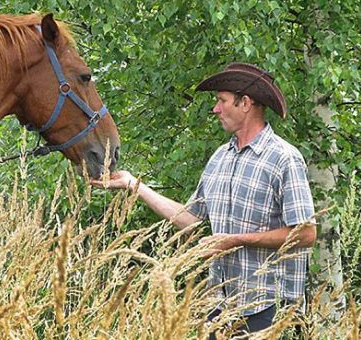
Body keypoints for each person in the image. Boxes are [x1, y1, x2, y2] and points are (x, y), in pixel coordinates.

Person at [92, 62, 316, 337]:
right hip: (219, 306)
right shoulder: (220, 157)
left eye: (221, 101)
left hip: (269, 309)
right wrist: (133, 185)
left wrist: (236, 240)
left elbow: (305, 233)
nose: (215, 109)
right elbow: (190, 217)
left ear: (245, 103)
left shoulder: (284, 158)